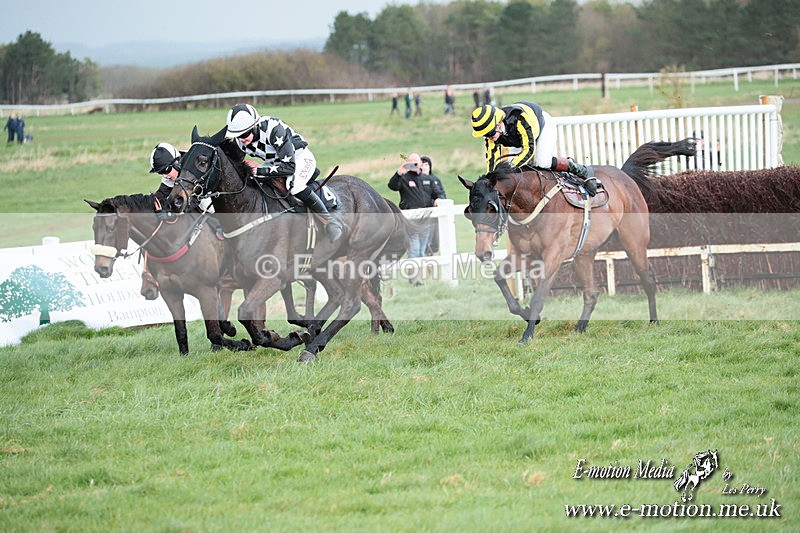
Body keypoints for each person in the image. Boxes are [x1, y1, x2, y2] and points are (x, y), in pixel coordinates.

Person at [224, 103, 342, 243]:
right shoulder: (241, 141)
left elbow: (289, 167)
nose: (242, 139)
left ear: (254, 126)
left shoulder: (274, 130)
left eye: (244, 134)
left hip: (299, 158)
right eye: (237, 135)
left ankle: (331, 223)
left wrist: (260, 170)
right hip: (275, 162)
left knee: (295, 186)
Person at [471, 102, 600, 196]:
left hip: (542, 126)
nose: (489, 138)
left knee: (542, 161)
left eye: (490, 133)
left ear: (498, 124)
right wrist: (490, 181)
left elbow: (529, 150)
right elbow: (492, 160)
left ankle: (581, 170)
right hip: (519, 139)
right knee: (510, 171)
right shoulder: (492, 135)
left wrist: (510, 166)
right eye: (485, 135)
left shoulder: (519, 119)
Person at [149, 142, 224, 238]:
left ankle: (222, 225)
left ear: (176, 162)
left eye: (166, 170)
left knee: (204, 204)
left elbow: (195, 200)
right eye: (161, 173)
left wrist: (172, 214)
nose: (165, 176)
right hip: (197, 197)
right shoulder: (171, 172)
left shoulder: (192, 167)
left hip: (217, 195)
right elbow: (162, 193)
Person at [388, 153, 441, 268]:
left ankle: (419, 277)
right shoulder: (404, 178)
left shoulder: (428, 179)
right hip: (410, 220)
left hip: (426, 219)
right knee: (414, 249)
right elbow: (392, 186)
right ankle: (414, 278)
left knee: (422, 250)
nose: (414, 165)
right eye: (411, 162)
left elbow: (436, 193)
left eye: (416, 162)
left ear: (421, 163)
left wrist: (437, 199)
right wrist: (399, 173)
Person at [420, 155, 446, 255]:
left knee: (435, 237)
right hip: (423, 213)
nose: (424, 167)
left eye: (426, 164)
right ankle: (426, 255)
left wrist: (439, 199)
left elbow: (441, 193)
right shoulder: (417, 180)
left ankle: (432, 253)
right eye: (422, 164)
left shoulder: (435, 179)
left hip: (435, 213)